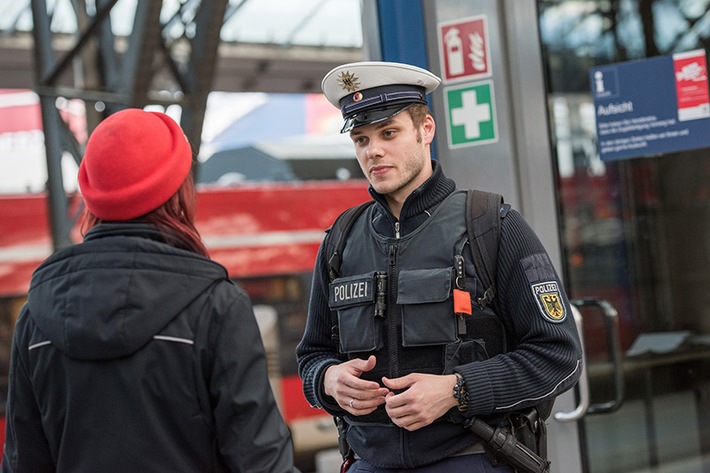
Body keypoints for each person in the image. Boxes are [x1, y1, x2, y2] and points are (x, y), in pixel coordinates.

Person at [296, 61, 583, 472]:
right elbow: (312, 355)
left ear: (425, 130)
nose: (372, 150)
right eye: (360, 139)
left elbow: (559, 357)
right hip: (367, 463)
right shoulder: (341, 240)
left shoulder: (493, 226)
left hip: (471, 459)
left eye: (388, 133)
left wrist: (458, 390)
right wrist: (326, 380)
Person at [2, 108, 296, 472]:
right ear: (178, 194)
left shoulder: (35, 317)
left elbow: (23, 463)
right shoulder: (215, 307)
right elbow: (260, 462)